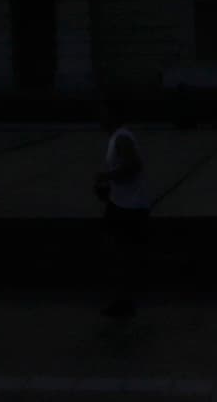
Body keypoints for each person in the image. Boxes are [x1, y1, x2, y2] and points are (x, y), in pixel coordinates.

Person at [94, 108, 152, 321]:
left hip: (128, 207)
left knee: (119, 252)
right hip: (121, 204)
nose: (100, 118)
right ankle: (123, 298)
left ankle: (124, 300)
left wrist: (106, 176)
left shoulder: (122, 138)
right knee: (117, 251)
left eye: (103, 114)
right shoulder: (118, 138)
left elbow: (134, 166)